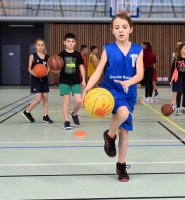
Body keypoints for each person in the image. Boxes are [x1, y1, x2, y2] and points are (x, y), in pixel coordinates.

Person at [82, 14, 143, 182]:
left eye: (124, 27)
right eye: (117, 27)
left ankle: (121, 165)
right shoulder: (108, 49)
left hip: (129, 93)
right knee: (122, 114)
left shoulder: (138, 50)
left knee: (125, 131)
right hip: (111, 91)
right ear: (112, 31)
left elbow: (140, 74)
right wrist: (87, 88)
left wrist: (128, 82)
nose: (121, 30)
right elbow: (98, 71)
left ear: (131, 29)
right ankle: (109, 136)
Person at [58, 33, 86, 130]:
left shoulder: (78, 55)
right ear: (64, 42)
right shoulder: (61, 55)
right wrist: (55, 70)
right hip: (64, 81)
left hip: (75, 81)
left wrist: (84, 80)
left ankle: (74, 114)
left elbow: (81, 67)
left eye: (72, 41)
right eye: (68, 41)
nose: (70, 43)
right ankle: (66, 121)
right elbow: (57, 68)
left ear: (75, 43)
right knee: (66, 101)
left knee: (79, 101)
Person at [22, 38, 53, 124]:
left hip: (44, 79)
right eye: (38, 45)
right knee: (39, 99)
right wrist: (32, 72)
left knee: (46, 97)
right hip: (36, 79)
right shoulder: (32, 56)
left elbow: (49, 67)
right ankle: (27, 111)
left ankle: (45, 116)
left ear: (44, 46)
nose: (40, 47)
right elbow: (29, 69)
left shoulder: (47, 57)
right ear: (36, 46)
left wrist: (46, 72)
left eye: (42, 45)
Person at [170, 43, 185, 115]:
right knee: (179, 91)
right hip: (179, 77)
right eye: (184, 48)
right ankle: (178, 108)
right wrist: (170, 79)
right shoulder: (177, 58)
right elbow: (173, 68)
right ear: (180, 50)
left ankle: (183, 107)